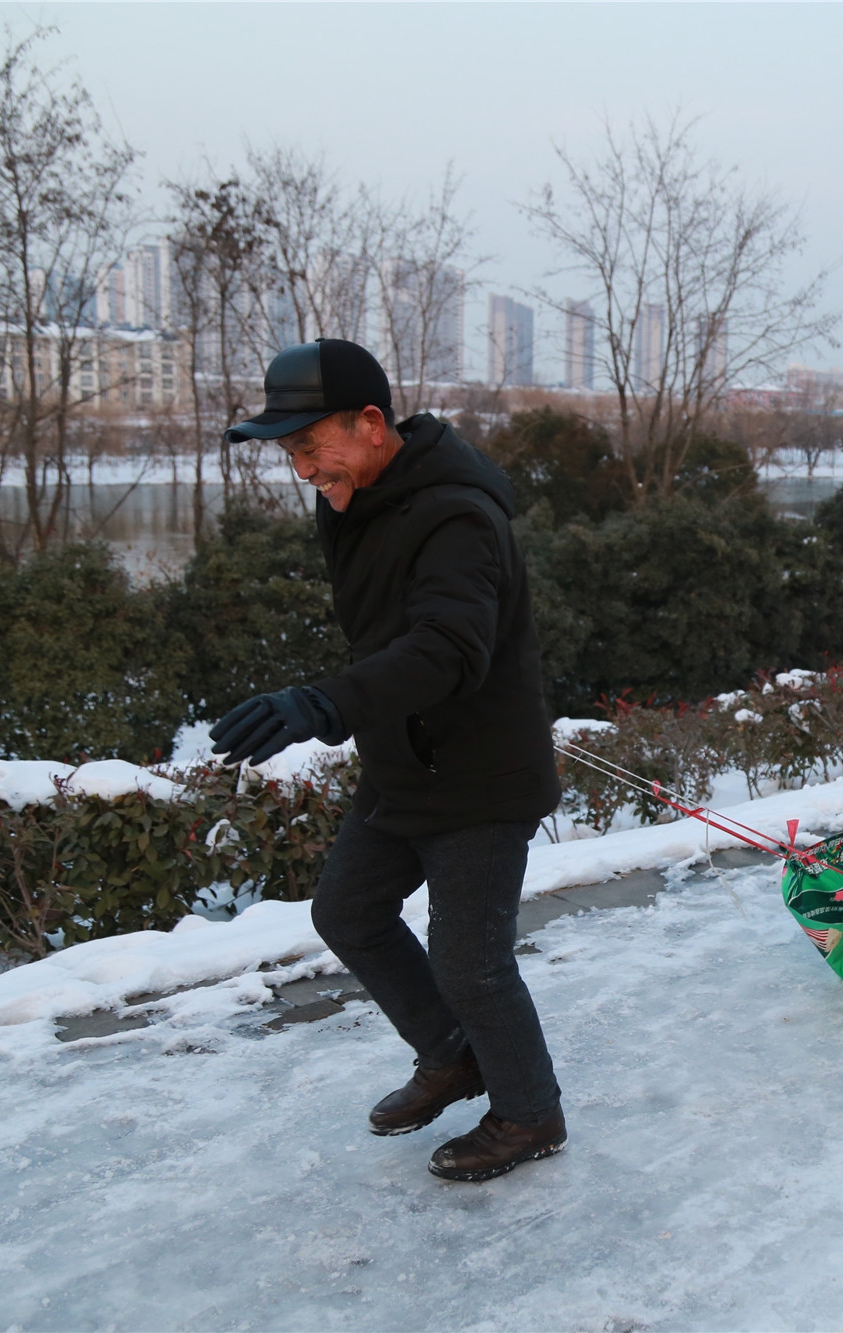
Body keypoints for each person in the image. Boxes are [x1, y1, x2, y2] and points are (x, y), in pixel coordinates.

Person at [210, 339, 566, 1184]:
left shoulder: (457, 515)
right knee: (348, 910)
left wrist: (321, 702)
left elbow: (445, 648)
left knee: (471, 963)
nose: (300, 469)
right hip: (406, 761)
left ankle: (530, 1112)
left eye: (307, 446)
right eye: (288, 452)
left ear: (370, 424)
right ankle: (451, 1055)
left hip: (480, 774)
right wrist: (350, 708)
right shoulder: (353, 497)